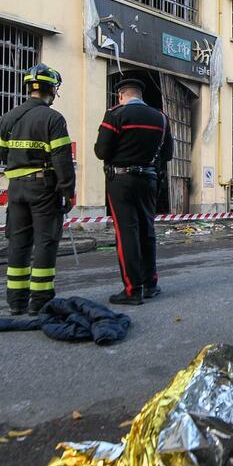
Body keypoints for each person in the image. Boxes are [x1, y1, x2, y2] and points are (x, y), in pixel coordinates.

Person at [0, 64, 75, 315]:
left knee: (18, 242)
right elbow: (62, 160)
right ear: (51, 89)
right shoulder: (53, 118)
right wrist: (67, 191)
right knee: (45, 241)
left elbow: (1, 154)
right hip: (43, 188)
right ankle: (40, 300)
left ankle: (16, 301)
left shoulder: (9, 117)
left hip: (16, 188)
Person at [94, 76, 173, 305]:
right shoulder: (161, 118)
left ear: (121, 95)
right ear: (141, 95)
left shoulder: (115, 114)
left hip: (121, 181)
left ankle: (132, 289)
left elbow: (101, 151)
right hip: (149, 180)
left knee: (127, 233)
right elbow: (167, 155)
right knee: (147, 230)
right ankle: (151, 284)